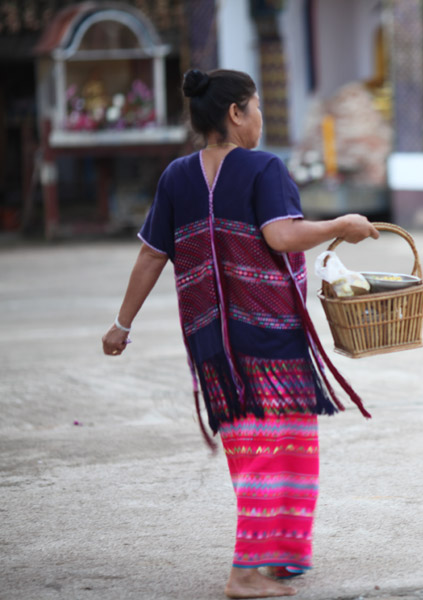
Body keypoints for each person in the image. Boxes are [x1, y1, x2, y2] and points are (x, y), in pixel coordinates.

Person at [101, 68, 379, 599]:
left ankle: (281, 556)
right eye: (255, 108)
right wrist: (341, 226)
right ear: (235, 113)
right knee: (280, 448)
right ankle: (246, 571)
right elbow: (282, 235)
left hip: (211, 341)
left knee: (253, 450)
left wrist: (122, 324)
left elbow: (151, 255)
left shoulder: (176, 176)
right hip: (269, 336)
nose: (259, 120)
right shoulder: (263, 167)